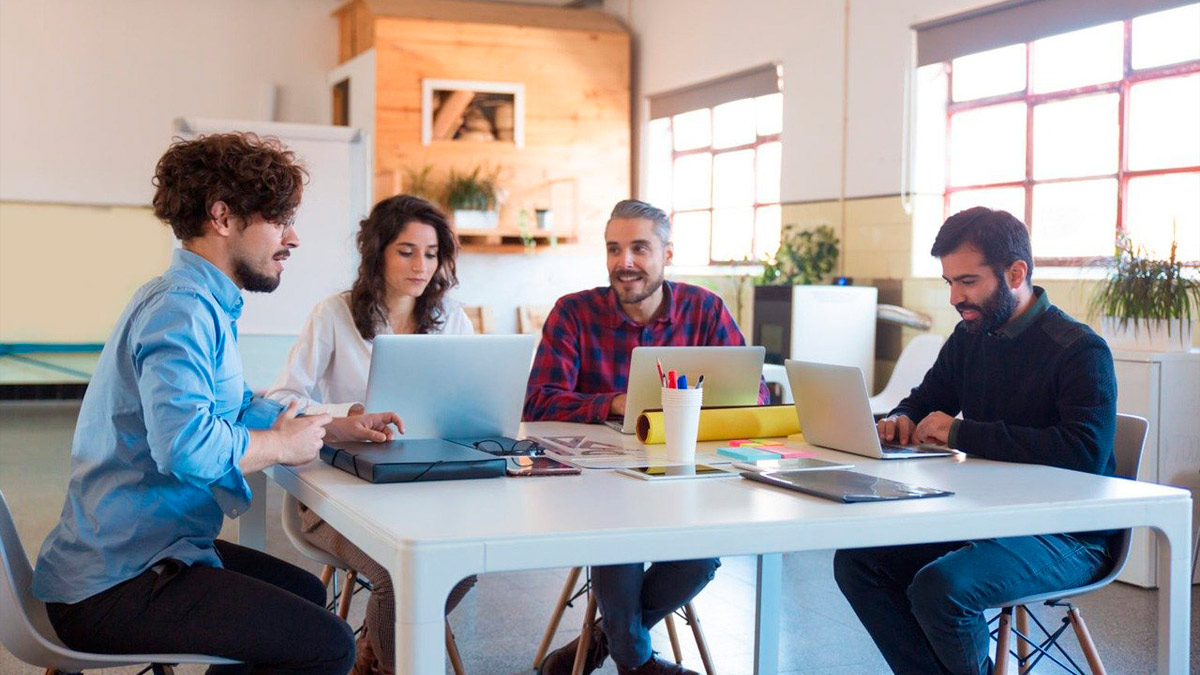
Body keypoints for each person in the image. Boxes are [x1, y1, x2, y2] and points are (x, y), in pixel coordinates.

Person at [32, 133, 402, 674]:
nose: (293, 238)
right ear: (223, 218)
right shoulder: (181, 310)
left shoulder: (193, 300)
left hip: (144, 554)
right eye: (279, 220)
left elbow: (227, 409)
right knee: (328, 645)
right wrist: (278, 444)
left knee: (304, 593)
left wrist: (333, 426)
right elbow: (186, 447)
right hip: (115, 582)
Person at [832, 207, 1118, 675]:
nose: (955, 297)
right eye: (948, 282)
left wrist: (962, 432)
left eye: (967, 281)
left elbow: (1082, 452)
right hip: (985, 516)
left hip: (1070, 532)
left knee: (942, 588)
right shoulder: (971, 335)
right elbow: (924, 400)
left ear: (1016, 272)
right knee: (860, 564)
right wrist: (902, 418)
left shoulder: (1079, 350)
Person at [526, 199, 768, 675]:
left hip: (682, 478)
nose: (625, 262)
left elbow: (753, 394)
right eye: (614, 249)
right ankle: (635, 662)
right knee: (620, 538)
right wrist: (613, 403)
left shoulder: (704, 310)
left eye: (639, 248)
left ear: (667, 254)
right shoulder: (573, 313)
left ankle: (599, 644)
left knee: (699, 560)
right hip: (595, 485)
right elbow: (538, 401)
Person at [265, 193, 476, 675]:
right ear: (377, 251)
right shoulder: (334, 315)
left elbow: (467, 402)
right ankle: (389, 663)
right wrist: (347, 412)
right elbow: (280, 399)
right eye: (406, 250)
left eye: (431, 253)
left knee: (464, 564)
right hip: (338, 489)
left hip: (426, 486)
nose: (421, 265)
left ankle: (374, 653)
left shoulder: (451, 319)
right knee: (393, 575)